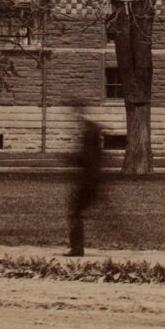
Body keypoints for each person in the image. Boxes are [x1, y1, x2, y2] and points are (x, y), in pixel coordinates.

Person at [67, 110, 102, 257]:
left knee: (74, 213)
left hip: (88, 182)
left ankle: (77, 248)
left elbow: (86, 160)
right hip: (91, 181)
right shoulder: (94, 137)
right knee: (75, 213)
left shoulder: (90, 136)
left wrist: (72, 159)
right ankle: (77, 247)